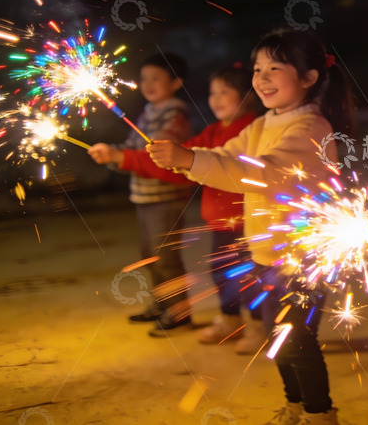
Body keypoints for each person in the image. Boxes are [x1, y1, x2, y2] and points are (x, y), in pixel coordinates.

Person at [148, 29, 354, 425]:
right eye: (258, 69)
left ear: (309, 77)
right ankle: (295, 406)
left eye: (275, 68)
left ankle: (320, 414)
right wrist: (185, 157)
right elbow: (226, 155)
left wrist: (189, 160)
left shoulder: (310, 127)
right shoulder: (261, 125)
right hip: (266, 254)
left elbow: (262, 172)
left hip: (305, 257)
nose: (262, 78)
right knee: (278, 339)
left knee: (296, 341)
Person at [97, 63, 262, 348]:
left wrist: (123, 157)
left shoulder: (252, 131)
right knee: (222, 273)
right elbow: (181, 161)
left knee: (250, 276)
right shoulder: (212, 132)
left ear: (248, 95)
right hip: (220, 223)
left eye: (225, 92)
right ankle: (230, 320)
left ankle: (260, 326)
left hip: (250, 223)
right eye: (212, 93)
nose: (216, 99)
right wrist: (122, 157)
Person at [88, 52, 193, 335]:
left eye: (156, 78)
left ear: (176, 82)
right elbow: (131, 149)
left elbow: (157, 157)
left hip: (167, 198)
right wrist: (112, 154)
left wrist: (120, 156)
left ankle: (180, 313)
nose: (148, 83)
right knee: (150, 255)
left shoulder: (175, 116)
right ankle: (162, 304)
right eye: (144, 78)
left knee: (165, 257)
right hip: (145, 198)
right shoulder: (148, 113)